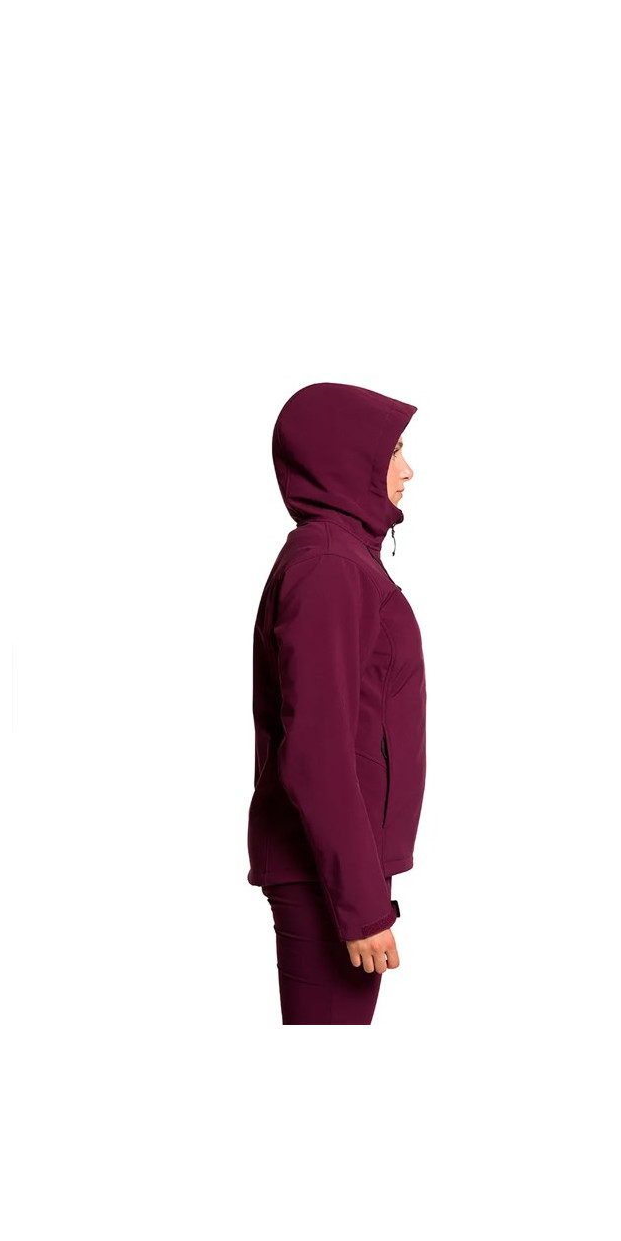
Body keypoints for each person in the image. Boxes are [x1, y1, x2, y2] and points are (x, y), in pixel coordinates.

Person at [246, 382, 428, 1024]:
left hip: (340, 866)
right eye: (394, 451)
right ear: (347, 457)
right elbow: (317, 754)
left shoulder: (341, 558)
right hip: (327, 874)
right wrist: (361, 909)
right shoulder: (329, 566)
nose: (408, 470)